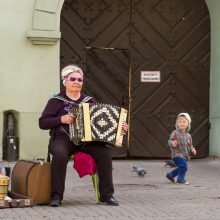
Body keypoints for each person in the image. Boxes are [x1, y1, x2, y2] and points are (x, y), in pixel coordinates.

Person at [39, 64, 128, 207]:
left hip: (87, 140)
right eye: (72, 79)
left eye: (79, 80)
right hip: (63, 138)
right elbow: (42, 123)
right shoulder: (56, 101)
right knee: (60, 154)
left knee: (104, 153)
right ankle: (56, 196)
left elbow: (102, 122)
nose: (76, 82)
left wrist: (120, 128)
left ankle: (107, 195)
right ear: (65, 81)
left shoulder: (89, 101)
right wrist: (61, 119)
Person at [166, 113, 196, 185]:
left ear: (188, 124)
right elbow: (169, 141)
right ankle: (180, 179)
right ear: (177, 124)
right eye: (180, 122)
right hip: (177, 154)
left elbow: (190, 145)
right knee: (184, 166)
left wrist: (192, 150)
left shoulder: (188, 135)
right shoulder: (175, 133)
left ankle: (170, 175)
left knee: (182, 167)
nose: (181, 123)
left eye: (184, 122)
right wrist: (173, 143)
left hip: (185, 155)